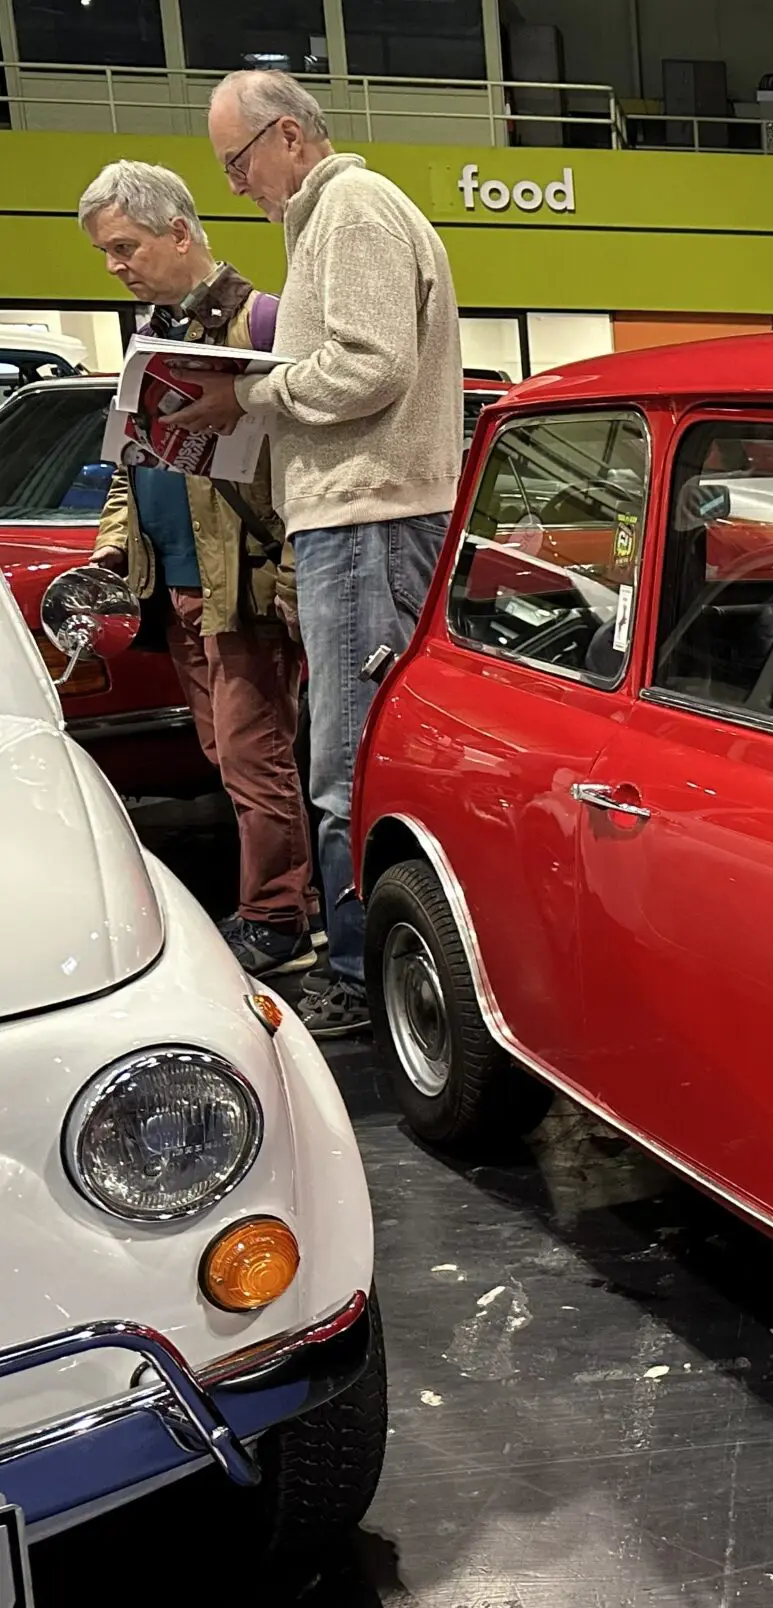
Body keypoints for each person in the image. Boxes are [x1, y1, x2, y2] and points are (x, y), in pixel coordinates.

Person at [167, 69, 462, 1039]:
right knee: (351, 756)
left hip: (370, 520)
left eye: (236, 162)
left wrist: (250, 397)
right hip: (354, 521)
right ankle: (369, 955)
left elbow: (371, 367)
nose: (236, 185)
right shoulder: (335, 219)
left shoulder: (353, 211)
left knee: (348, 766)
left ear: (288, 137)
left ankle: (353, 965)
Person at [80, 159, 313, 979]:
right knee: (227, 755)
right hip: (175, 582)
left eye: (125, 245)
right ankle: (286, 904)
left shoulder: (266, 324)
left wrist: (290, 573)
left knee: (255, 759)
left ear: (179, 232)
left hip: (240, 583)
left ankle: (279, 918)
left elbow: (307, 465)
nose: (115, 263)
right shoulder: (152, 333)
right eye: (108, 252)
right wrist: (115, 544)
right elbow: (127, 460)